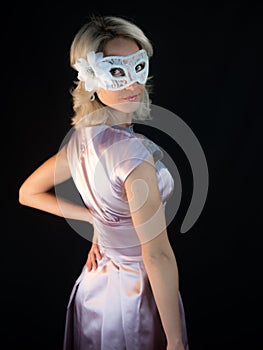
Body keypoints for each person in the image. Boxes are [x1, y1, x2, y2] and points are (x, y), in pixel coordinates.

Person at [19, 14, 189, 350]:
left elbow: (27, 193)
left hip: (94, 292)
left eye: (137, 67)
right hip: (137, 297)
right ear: (92, 78)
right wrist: (176, 340)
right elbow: (157, 256)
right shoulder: (134, 157)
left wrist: (96, 220)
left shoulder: (81, 140)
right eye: (116, 71)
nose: (132, 84)